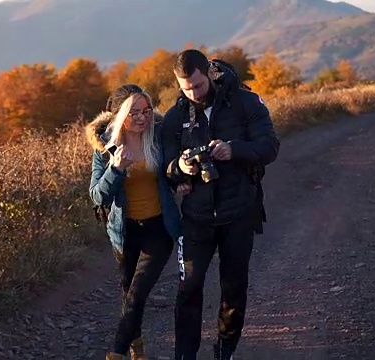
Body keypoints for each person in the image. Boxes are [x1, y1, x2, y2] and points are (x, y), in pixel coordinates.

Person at [161, 49, 280, 359]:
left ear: (209, 74)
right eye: (185, 88)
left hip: (239, 212)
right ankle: (185, 355)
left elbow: (270, 146)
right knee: (188, 289)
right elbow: (166, 166)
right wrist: (180, 169)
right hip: (196, 218)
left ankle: (225, 351)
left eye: (198, 86)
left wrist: (234, 150)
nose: (193, 93)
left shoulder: (244, 103)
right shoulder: (176, 116)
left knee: (233, 289)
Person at [87, 84, 181, 360]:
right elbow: (97, 195)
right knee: (129, 295)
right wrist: (116, 169)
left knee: (138, 293)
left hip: (159, 228)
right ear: (119, 116)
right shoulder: (105, 146)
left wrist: (182, 181)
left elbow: (174, 172)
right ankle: (137, 350)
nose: (142, 117)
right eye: (134, 112)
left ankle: (115, 353)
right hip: (124, 231)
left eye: (147, 110)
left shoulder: (160, 135)